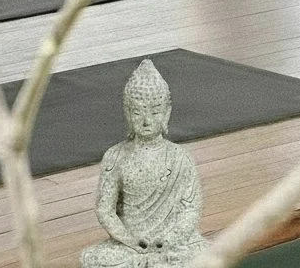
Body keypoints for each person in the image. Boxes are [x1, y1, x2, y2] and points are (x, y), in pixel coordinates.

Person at [81, 60, 207, 268]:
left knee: (202, 253)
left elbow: (191, 210)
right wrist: (130, 240)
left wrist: (169, 239)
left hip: (171, 244)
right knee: (93, 258)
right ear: (127, 112)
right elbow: (105, 210)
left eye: (155, 112)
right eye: (138, 112)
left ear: (167, 112)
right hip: (131, 245)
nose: (147, 120)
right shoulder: (115, 156)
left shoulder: (180, 157)